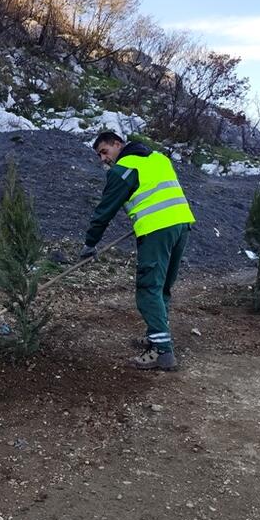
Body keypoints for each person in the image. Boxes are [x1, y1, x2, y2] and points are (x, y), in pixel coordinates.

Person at [80, 130, 195, 371]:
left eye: (104, 151)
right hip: (181, 225)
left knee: (148, 289)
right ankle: (157, 334)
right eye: (99, 155)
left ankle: (162, 352)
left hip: (156, 231)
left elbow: (105, 211)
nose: (103, 159)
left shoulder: (124, 169)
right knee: (162, 286)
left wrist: (90, 243)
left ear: (118, 144)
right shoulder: (158, 158)